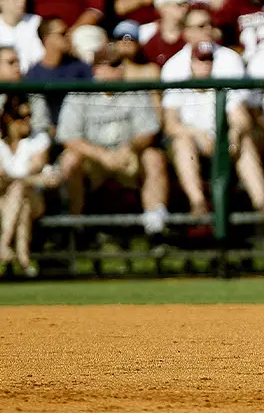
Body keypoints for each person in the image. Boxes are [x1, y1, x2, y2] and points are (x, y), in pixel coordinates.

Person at [57, 45, 170, 235]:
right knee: (69, 159)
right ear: (97, 69)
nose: (120, 69)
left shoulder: (134, 90)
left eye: (121, 64)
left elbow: (148, 132)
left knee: (153, 157)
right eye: (113, 65)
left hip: (127, 156)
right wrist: (101, 155)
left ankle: (155, 226)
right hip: (93, 159)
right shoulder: (80, 92)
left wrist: (128, 148)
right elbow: (69, 138)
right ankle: (74, 227)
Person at [163, 42, 264, 218]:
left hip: (221, 141)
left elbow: (241, 118)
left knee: (244, 141)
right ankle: (198, 202)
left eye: (209, 60)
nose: (205, 65)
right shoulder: (180, 85)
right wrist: (197, 134)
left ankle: (262, 202)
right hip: (193, 141)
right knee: (182, 143)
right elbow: (170, 125)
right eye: (200, 60)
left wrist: (233, 134)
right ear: (191, 62)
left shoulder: (222, 84)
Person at [0, 95, 58, 278]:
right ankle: (24, 261)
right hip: (7, 201)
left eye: (29, 116)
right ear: (8, 118)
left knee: (19, 189)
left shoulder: (38, 140)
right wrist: (25, 179)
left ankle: (2, 245)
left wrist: (19, 180)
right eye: (22, 116)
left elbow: (39, 169)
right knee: (20, 204)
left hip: (35, 199)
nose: (28, 121)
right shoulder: (1, 144)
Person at [25, 18, 94, 134]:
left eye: (68, 32)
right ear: (47, 39)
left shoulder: (80, 68)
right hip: (46, 134)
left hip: (80, 131)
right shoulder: (33, 74)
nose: (68, 37)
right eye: (62, 33)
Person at [140, 0, 190, 68]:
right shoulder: (145, 34)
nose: (185, 8)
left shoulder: (191, 33)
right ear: (163, 8)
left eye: (186, 3)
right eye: (179, 4)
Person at [0, 0, 44, 74]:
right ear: (2, 1)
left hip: (33, 79)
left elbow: (41, 56)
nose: (23, 0)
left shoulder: (36, 22)